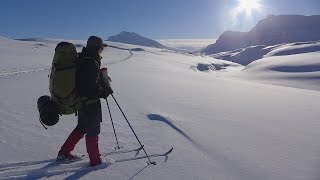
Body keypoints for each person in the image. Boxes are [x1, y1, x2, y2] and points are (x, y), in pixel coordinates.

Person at [57, 36, 113, 166]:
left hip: (81, 102)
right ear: (98, 48)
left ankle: (64, 152)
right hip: (90, 103)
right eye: (101, 48)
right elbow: (89, 89)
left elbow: (86, 83)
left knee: (82, 127)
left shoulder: (83, 59)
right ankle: (95, 160)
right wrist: (103, 92)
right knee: (93, 131)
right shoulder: (90, 62)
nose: (102, 51)